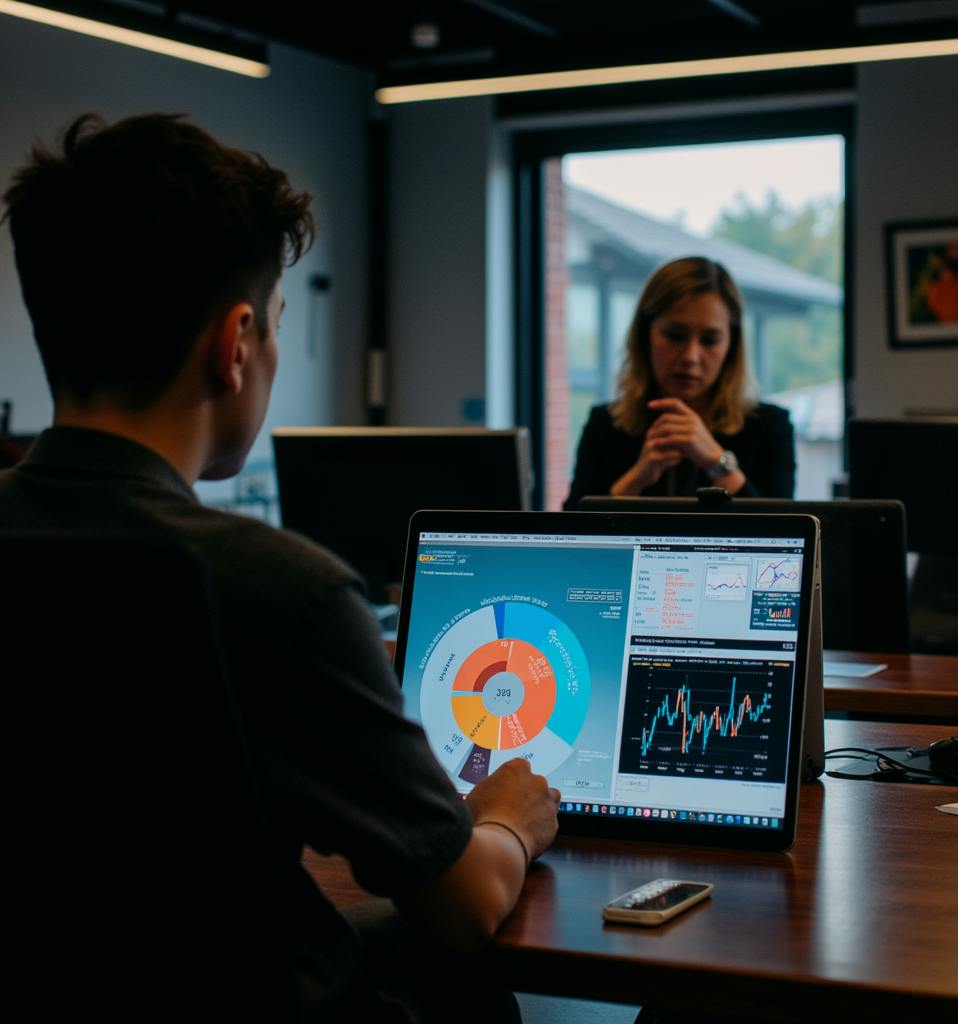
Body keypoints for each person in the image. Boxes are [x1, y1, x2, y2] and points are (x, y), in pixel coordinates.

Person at [0, 113, 559, 1020]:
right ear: (235, 344)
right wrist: (508, 818)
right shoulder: (281, 593)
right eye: (275, 329)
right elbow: (463, 908)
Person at [563, 256, 795, 509]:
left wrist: (717, 462)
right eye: (675, 336)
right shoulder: (605, 425)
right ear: (645, 335)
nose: (690, 357)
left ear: (731, 347)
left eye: (709, 340)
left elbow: (785, 530)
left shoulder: (769, 426)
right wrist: (637, 477)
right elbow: (570, 529)